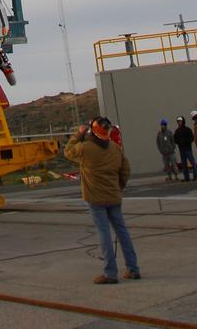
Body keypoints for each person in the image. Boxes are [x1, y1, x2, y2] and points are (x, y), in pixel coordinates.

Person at [64, 116, 141, 284]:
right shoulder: (115, 148)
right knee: (122, 232)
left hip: (95, 198)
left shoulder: (85, 148)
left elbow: (68, 151)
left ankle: (110, 273)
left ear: (93, 130)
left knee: (104, 233)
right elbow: (126, 168)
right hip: (114, 196)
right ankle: (133, 269)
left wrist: (79, 133)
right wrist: (119, 186)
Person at [173, 116, 197, 181]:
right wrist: (179, 142)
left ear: (183, 122)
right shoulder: (177, 131)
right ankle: (186, 177)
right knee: (184, 165)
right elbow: (175, 139)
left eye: (180, 121)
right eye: (178, 121)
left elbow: (192, 138)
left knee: (193, 163)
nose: (179, 123)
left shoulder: (187, 129)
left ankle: (195, 176)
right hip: (181, 150)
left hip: (188, 149)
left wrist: (185, 142)